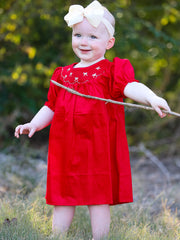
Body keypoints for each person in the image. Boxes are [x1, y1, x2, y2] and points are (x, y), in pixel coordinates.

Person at [14, 1, 171, 239]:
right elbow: (51, 106)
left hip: (97, 146)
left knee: (98, 195)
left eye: (93, 37)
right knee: (63, 194)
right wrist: (34, 124)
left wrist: (151, 97)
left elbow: (131, 86)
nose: (84, 42)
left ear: (109, 43)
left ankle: (100, 237)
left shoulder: (111, 71)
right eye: (78, 35)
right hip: (66, 146)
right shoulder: (63, 74)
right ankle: (57, 236)